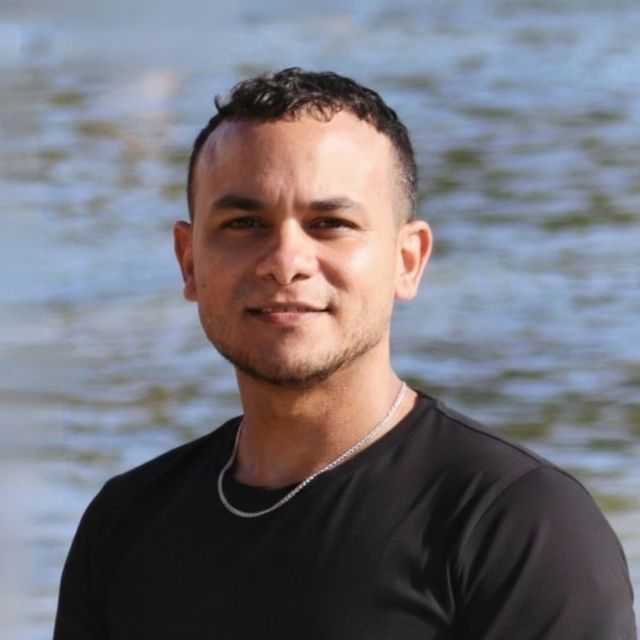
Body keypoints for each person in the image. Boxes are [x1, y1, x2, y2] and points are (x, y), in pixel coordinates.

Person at [54, 68, 636, 639]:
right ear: (189, 261)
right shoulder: (126, 523)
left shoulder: (518, 524)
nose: (286, 261)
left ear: (407, 260)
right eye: (245, 223)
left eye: (330, 223)